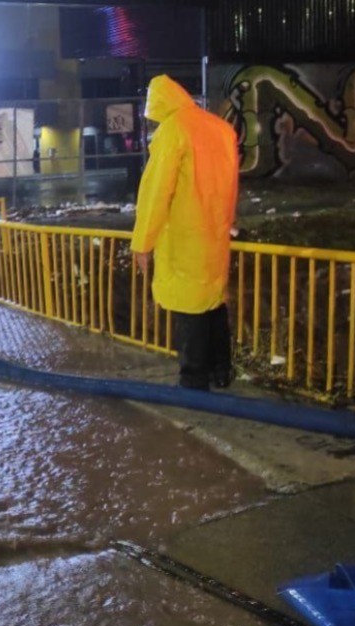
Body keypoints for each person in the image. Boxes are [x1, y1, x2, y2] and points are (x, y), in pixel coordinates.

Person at [131, 75, 240, 391]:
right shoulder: (220, 128)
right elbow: (231, 186)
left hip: (183, 238)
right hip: (215, 237)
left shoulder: (173, 130)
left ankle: (194, 379)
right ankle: (222, 370)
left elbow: (156, 193)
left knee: (189, 309)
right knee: (214, 304)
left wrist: (142, 242)